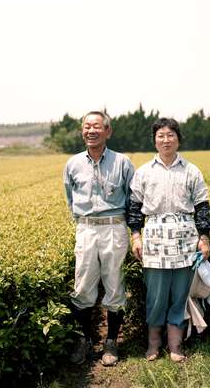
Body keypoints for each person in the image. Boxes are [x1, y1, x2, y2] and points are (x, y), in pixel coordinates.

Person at [127, 118, 210, 362]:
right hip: (154, 238)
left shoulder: (191, 170)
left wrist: (204, 238)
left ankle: (175, 345)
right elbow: (134, 208)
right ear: (154, 140)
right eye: (161, 135)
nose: (166, 140)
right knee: (156, 295)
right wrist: (135, 236)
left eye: (170, 135)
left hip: (186, 237)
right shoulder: (143, 172)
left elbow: (202, 207)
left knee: (180, 293)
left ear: (178, 139)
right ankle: (153, 344)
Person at [63, 111, 134, 366]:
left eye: (96, 126)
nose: (90, 131)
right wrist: (85, 223)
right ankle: (84, 340)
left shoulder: (122, 162)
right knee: (82, 288)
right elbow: (70, 199)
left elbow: (133, 199)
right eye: (86, 126)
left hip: (114, 227)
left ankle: (111, 342)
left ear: (108, 131)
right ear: (82, 131)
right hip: (86, 229)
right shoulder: (72, 164)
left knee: (115, 286)